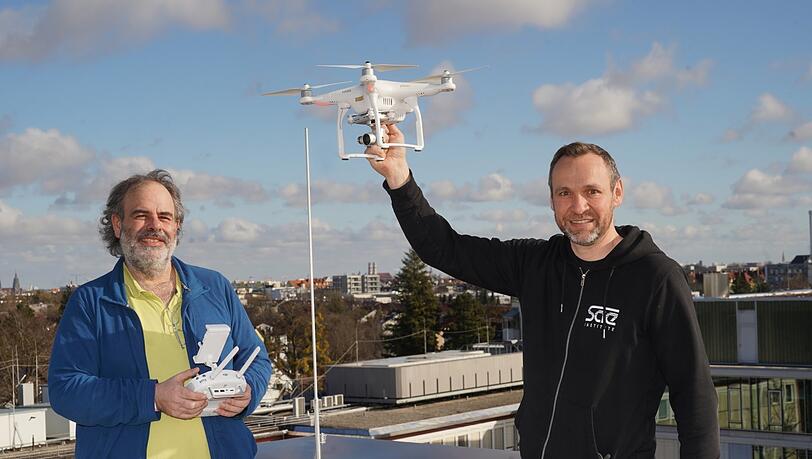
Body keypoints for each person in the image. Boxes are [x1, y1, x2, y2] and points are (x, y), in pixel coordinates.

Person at [366, 125, 719, 458]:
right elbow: (445, 249)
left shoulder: (655, 277)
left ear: (617, 193)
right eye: (564, 193)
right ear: (551, 200)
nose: (578, 206)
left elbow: (694, 395)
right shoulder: (535, 264)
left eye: (591, 191)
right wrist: (399, 179)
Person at [48, 170, 272, 458]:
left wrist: (248, 391)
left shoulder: (215, 287)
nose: (155, 226)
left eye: (165, 217)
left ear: (176, 226)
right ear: (118, 224)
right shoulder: (91, 302)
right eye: (141, 215)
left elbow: (257, 358)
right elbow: (66, 390)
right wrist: (152, 397)